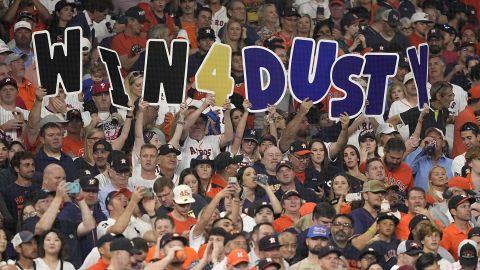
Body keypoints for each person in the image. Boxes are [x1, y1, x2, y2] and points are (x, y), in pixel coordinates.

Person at [440, 194, 475, 260]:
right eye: (463, 206)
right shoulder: (446, 234)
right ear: (453, 212)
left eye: (469, 206)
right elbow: (443, 258)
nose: (468, 209)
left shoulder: (474, 230)